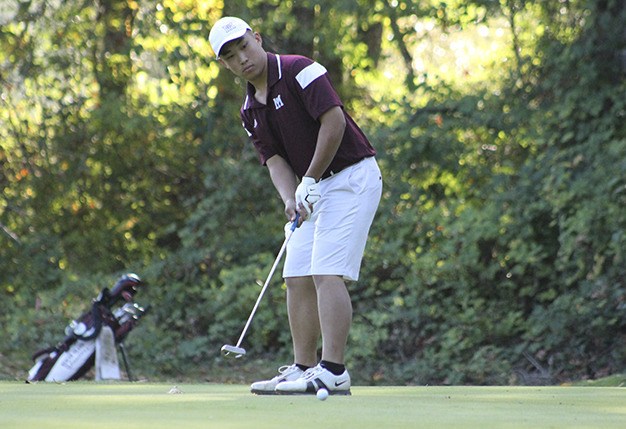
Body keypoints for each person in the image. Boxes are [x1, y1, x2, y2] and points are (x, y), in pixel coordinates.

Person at [209, 16, 382, 395]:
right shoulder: (248, 111)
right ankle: (303, 367)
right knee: (297, 275)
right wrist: (291, 199)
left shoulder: (300, 70)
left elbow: (333, 123)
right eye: (231, 56)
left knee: (325, 271)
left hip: (351, 177)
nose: (242, 58)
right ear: (225, 65)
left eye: (244, 46)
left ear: (257, 38)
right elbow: (274, 161)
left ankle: (333, 371)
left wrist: (309, 180)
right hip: (313, 188)